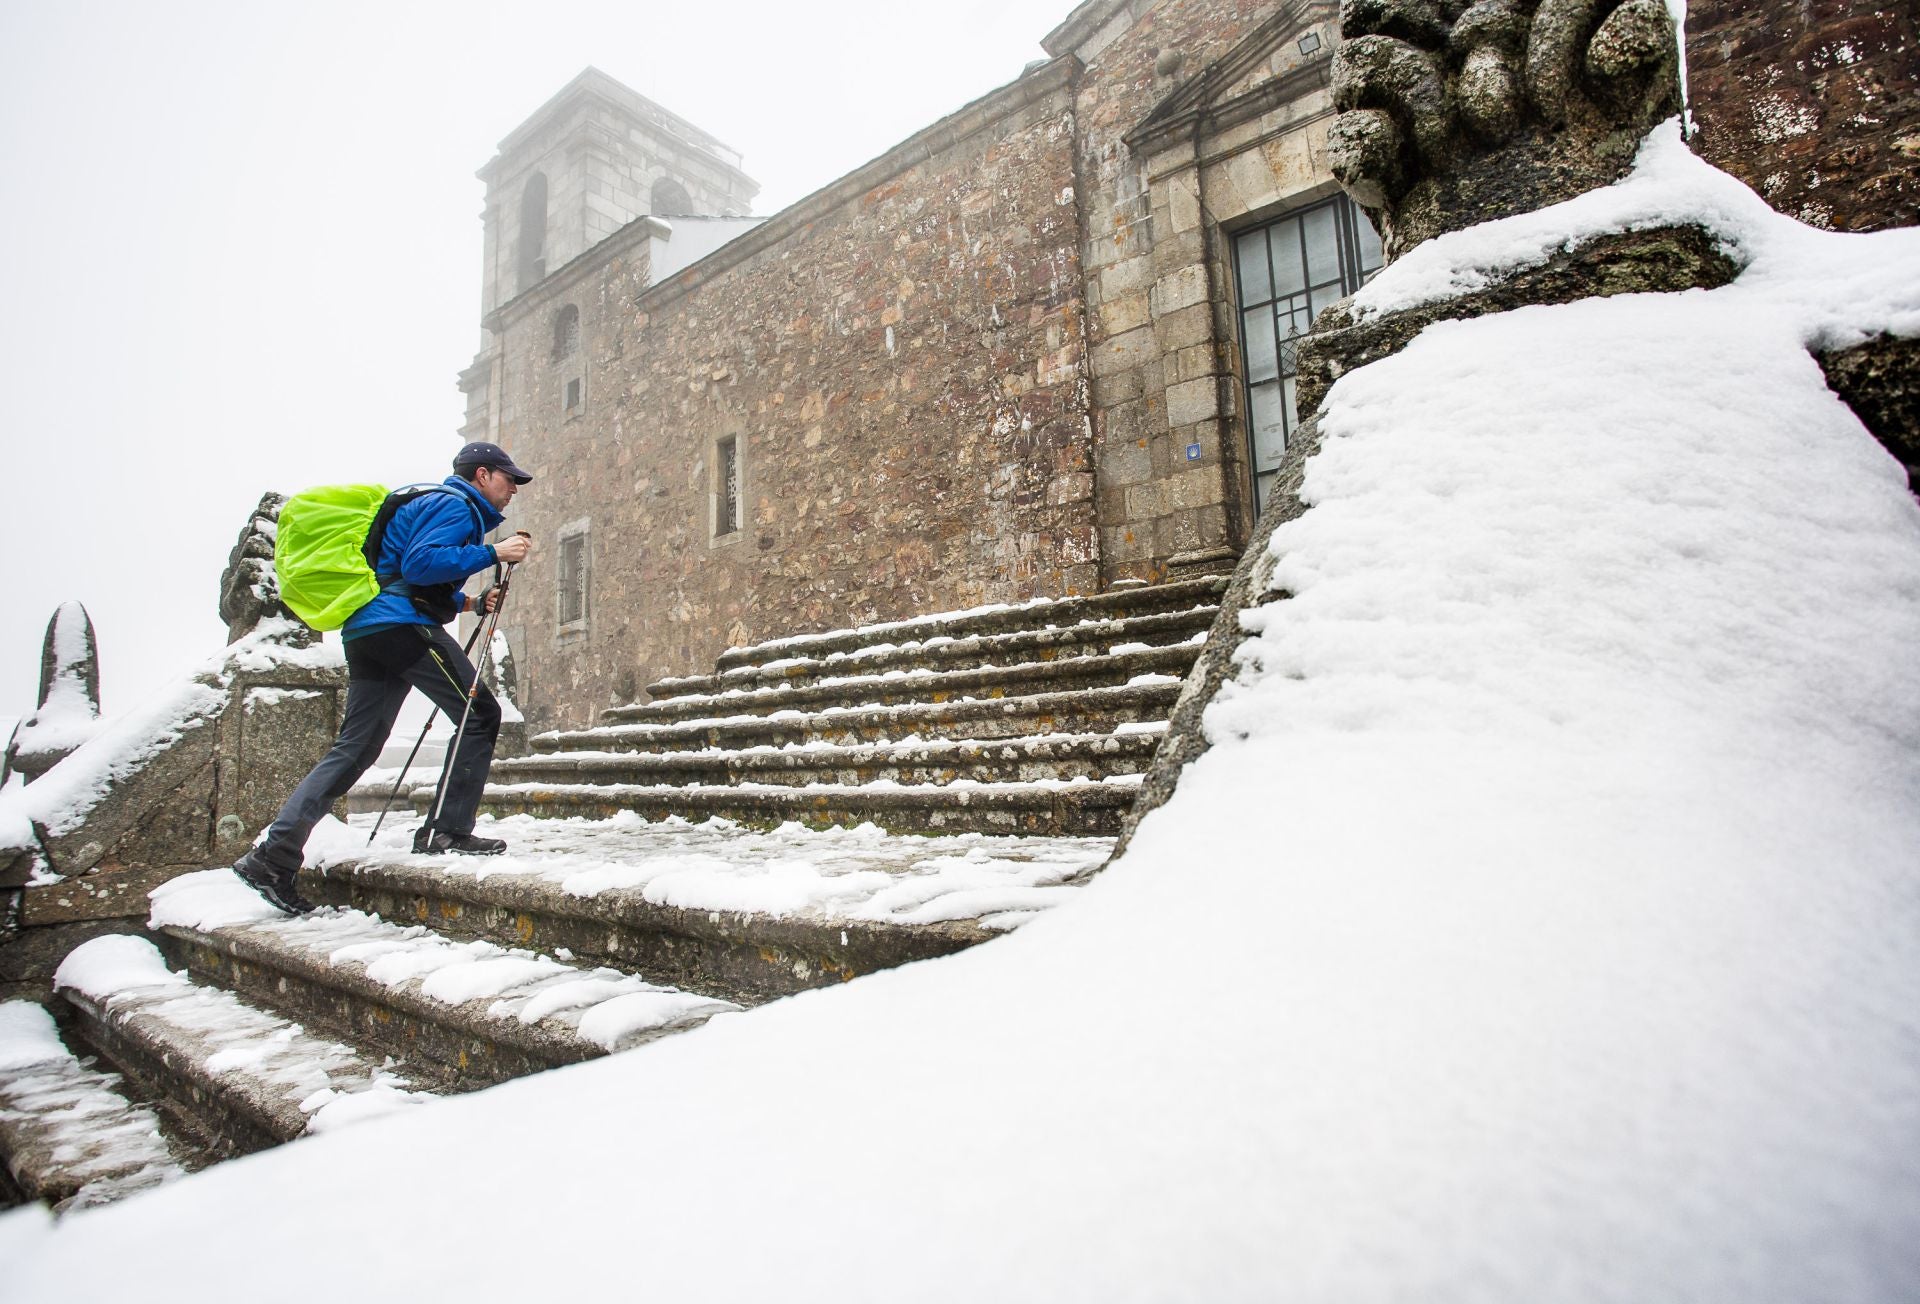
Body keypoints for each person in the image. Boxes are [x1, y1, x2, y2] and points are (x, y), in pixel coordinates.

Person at [233, 441, 536, 915]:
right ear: (481, 475)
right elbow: (421, 563)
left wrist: (470, 604)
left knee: (357, 746)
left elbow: (402, 573)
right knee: (479, 712)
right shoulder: (456, 505)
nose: (513, 489)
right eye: (508, 479)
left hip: (368, 628)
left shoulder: (435, 503)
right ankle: (447, 830)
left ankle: (273, 856)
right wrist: (492, 552)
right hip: (401, 627)